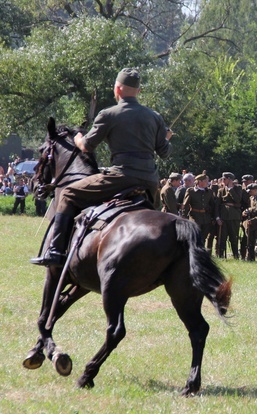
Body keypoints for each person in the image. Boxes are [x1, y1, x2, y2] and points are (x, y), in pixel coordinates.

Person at [31, 68, 172, 266]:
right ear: (138, 92)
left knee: (68, 194)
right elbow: (164, 152)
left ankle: (54, 251)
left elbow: (87, 147)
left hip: (121, 177)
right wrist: (166, 139)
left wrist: (79, 138)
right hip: (150, 182)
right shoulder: (155, 117)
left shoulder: (109, 114)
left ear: (118, 89)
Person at [182, 174, 219, 254]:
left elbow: (213, 205)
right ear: (200, 182)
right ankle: (193, 253)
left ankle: (201, 253)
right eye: (206, 181)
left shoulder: (209, 191)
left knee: (203, 237)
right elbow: (186, 205)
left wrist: (214, 217)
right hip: (195, 217)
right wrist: (184, 216)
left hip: (206, 218)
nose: (207, 182)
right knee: (195, 237)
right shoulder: (191, 191)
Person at [217, 172, 243, 259]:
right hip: (223, 217)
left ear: (230, 180)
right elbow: (217, 205)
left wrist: (231, 189)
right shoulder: (221, 190)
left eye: (224, 179)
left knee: (234, 237)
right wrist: (217, 217)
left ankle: (235, 255)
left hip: (234, 217)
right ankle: (221, 255)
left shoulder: (237, 188)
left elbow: (238, 200)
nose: (223, 181)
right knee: (222, 237)